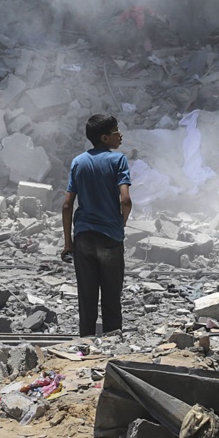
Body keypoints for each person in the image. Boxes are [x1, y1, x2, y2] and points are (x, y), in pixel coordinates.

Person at [62, 114, 132, 337]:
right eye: (115, 132)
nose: (120, 135)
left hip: (83, 238)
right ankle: (111, 352)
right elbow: (126, 200)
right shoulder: (118, 160)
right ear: (104, 138)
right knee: (111, 299)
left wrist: (68, 243)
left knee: (87, 299)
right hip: (109, 237)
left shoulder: (78, 162)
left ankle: (85, 349)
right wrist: (121, 223)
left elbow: (66, 205)